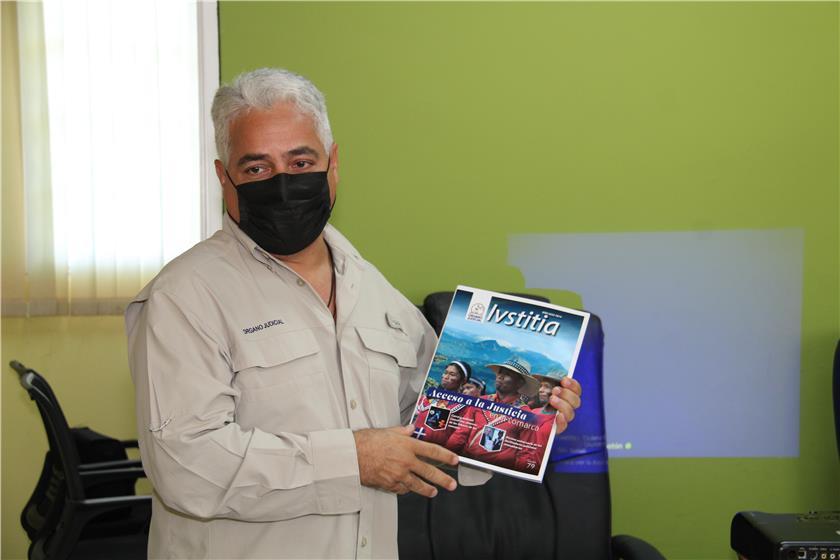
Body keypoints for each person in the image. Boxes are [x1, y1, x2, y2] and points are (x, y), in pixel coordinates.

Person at [125, 68, 582, 559]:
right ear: (224, 178)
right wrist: (353, 460)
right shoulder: (185, 296)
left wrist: (524, 420)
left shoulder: (374, 292)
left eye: (301, 162)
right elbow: (186, 468)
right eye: (256, 168)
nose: (283, 184)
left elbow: (431, 427)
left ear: (333, 164)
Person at [448, 357, 545, 471]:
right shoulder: (481, 401)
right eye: (500, 372)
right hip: (465, 464)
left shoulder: (526, 415)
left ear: (520, 383)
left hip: (496, 471)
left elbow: (526, 453)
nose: (500, 376)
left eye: (508, 374)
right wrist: (448, 454)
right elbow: (461, 433)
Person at [412, 361, 473, 446]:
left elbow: (460, 435)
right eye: (445, 373)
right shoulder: (428, 397)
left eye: (452, 374)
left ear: (463, 380)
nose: (445, 377)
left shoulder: (463, 406)